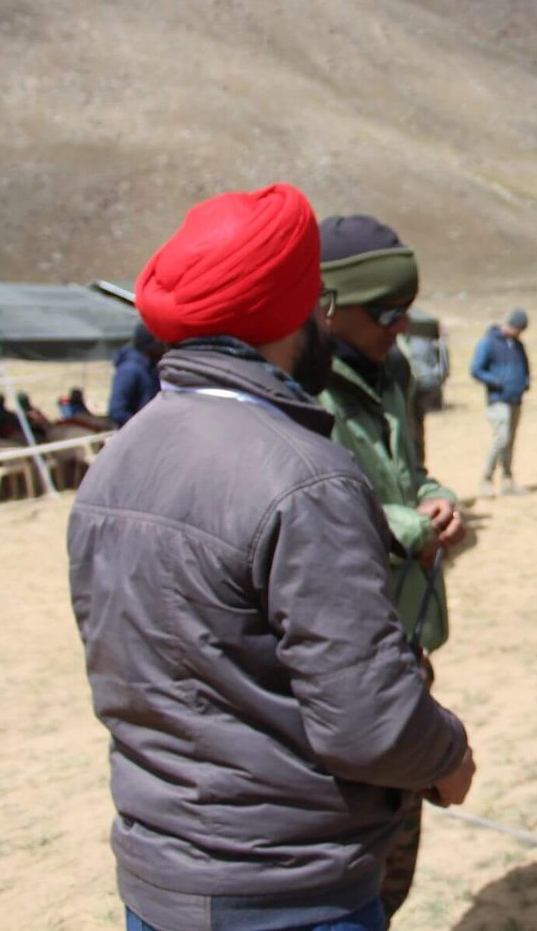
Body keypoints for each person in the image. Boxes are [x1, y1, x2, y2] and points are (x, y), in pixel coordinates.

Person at [68, 183, 475, 931]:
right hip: (289, 888)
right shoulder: (305, 477)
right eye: (318, 301)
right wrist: (447, 754)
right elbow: (368, 721)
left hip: (161, 874)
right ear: (295, 313)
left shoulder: (118, 460)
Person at [316, 213, 470, 919]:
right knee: (347, 876)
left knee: (393, 868)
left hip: (401, 639)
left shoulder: (393, 369)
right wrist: (409, 528)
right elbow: (302, 512)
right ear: (329, 305)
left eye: (407, 309)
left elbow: (409, 471)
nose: (401, 326)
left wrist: (437, 501)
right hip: (337, 654)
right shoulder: (296, 384)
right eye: (385, 312)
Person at [471, 308, 531, 496]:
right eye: (517, 328)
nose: (518, 333)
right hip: (498, 399)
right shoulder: (488, 343)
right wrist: (496, 382)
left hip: (515, 398)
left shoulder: (518, 345)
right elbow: (476, 369)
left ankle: (507, 480)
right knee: (501, 438)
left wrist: (525, 382)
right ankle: (486, 480)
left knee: (510, 441)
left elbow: (525, 366)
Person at [107, 323, 164, 427]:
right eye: (161, 341)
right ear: (151, 343)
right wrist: (141, 427)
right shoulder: (130, 369)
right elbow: (117, 411)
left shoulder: (151, 367)